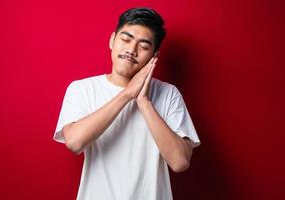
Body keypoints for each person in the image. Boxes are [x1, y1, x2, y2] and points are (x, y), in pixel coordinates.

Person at [53, 7, 200, 200]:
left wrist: (144, 101)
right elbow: (74, 142)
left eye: (144, 45)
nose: (131, 50)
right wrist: (127, 95)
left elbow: (180, 162)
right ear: (112, 40)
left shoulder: (169, 93)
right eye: (126, 39)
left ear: (154, 56)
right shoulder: (82, 89)